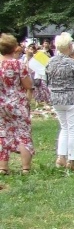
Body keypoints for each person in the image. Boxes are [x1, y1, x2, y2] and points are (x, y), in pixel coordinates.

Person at [46, 32, 74, 171]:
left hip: (56, 98)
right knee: (73, 129)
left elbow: (47, 81)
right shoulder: (73, 63)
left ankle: (61, 156)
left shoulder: (50, 62)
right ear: (69, 46)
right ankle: (71, 159)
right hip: (72, 98)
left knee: (64, 127)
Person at [0, 34, 34, 175]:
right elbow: (28, 84)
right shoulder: (19, 64)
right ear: (14, 48)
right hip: (17, 103)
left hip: (1, 104)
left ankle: (3, 167)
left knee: (2, 134)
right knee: (23, 134)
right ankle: (25, 168)